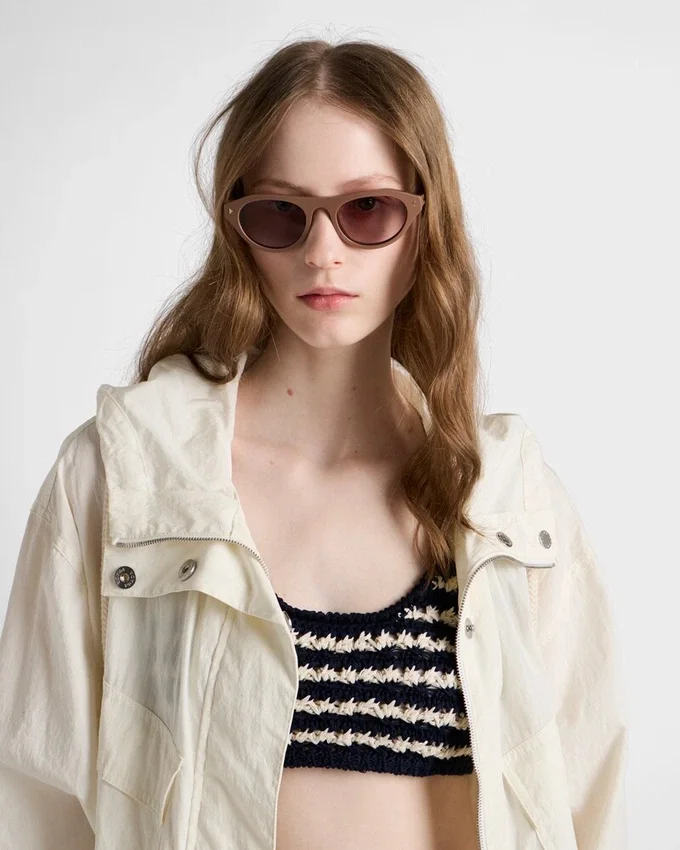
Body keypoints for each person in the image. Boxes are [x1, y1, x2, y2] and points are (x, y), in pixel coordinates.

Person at [0, 37, 628, 850]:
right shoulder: (120, 479)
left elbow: (586, 793)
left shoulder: (509, 497)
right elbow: (33, 800)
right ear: (238, 230)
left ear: (424, 224)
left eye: (367, 209)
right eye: (281, 214)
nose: (321, 251)